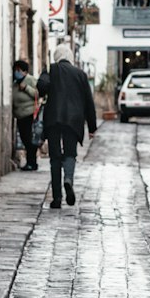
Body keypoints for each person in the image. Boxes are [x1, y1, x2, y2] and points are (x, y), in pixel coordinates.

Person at [37, 42, 98, 210]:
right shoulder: (80, 74)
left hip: (53, 119)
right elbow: (88, 103)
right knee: (70, 153)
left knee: (55, 158)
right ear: (70, 57)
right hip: (74, 120)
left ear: (56, 57)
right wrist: (92, 127)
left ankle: (57, 199)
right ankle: (68, 180)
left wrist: (48, 85)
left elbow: (41, 87)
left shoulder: (51, 69)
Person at [12, 58, 40, 171]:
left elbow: (38, 94)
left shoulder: (30, 80)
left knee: (29, 140)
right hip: (19, 115)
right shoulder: (15, 83)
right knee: (25, 139)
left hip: (29, 115)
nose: (17, 72)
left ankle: (32, 163)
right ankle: (31, 162)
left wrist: (26, 88)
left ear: (25, 71)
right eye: (15, 70)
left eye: (19, 70)